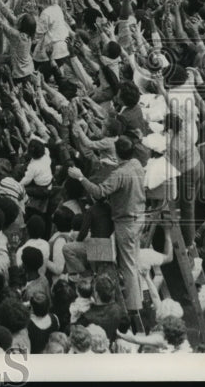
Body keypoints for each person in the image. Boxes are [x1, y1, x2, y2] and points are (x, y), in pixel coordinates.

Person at [68, 136, 147, 320]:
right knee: (131, 264)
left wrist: (80, 177)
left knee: (124, 267)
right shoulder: (135, 164)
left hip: (109, 238)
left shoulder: (95, 207)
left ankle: (134, 310)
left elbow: (98, 191)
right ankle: (136, 302)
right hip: (134, 220)